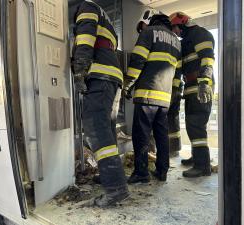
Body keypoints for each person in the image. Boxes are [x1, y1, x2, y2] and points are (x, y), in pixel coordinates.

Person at [71, 0, 129, 207]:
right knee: (107, 131)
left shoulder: (87, 7)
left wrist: (80, 68)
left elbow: (86, 36)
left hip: (100, 77)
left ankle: (116, 189)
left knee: (96, 130)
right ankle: (109, 177)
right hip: (112, 79)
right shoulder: (107, 18)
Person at [123, 13, 182, 183]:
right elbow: (178, 72)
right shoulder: (177, 42)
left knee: (141, 135)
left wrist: (128, 84)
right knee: (161, 135)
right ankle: (162, 171)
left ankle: (141, 173)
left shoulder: (149, 33)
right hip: (164, 98)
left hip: (147, 94)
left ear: (152, 22)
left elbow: (137, 60)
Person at [169, 12, 215, 177]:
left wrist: (204, 82)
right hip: (190, 86)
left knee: (196, 125)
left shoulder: (200, 34)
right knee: (192, 124)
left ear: (181, 25)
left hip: (200, 86)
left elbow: (207, 59)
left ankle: (202, 166)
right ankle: (198, 157)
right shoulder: (187, 41)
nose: (174, 32)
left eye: (174, 28)